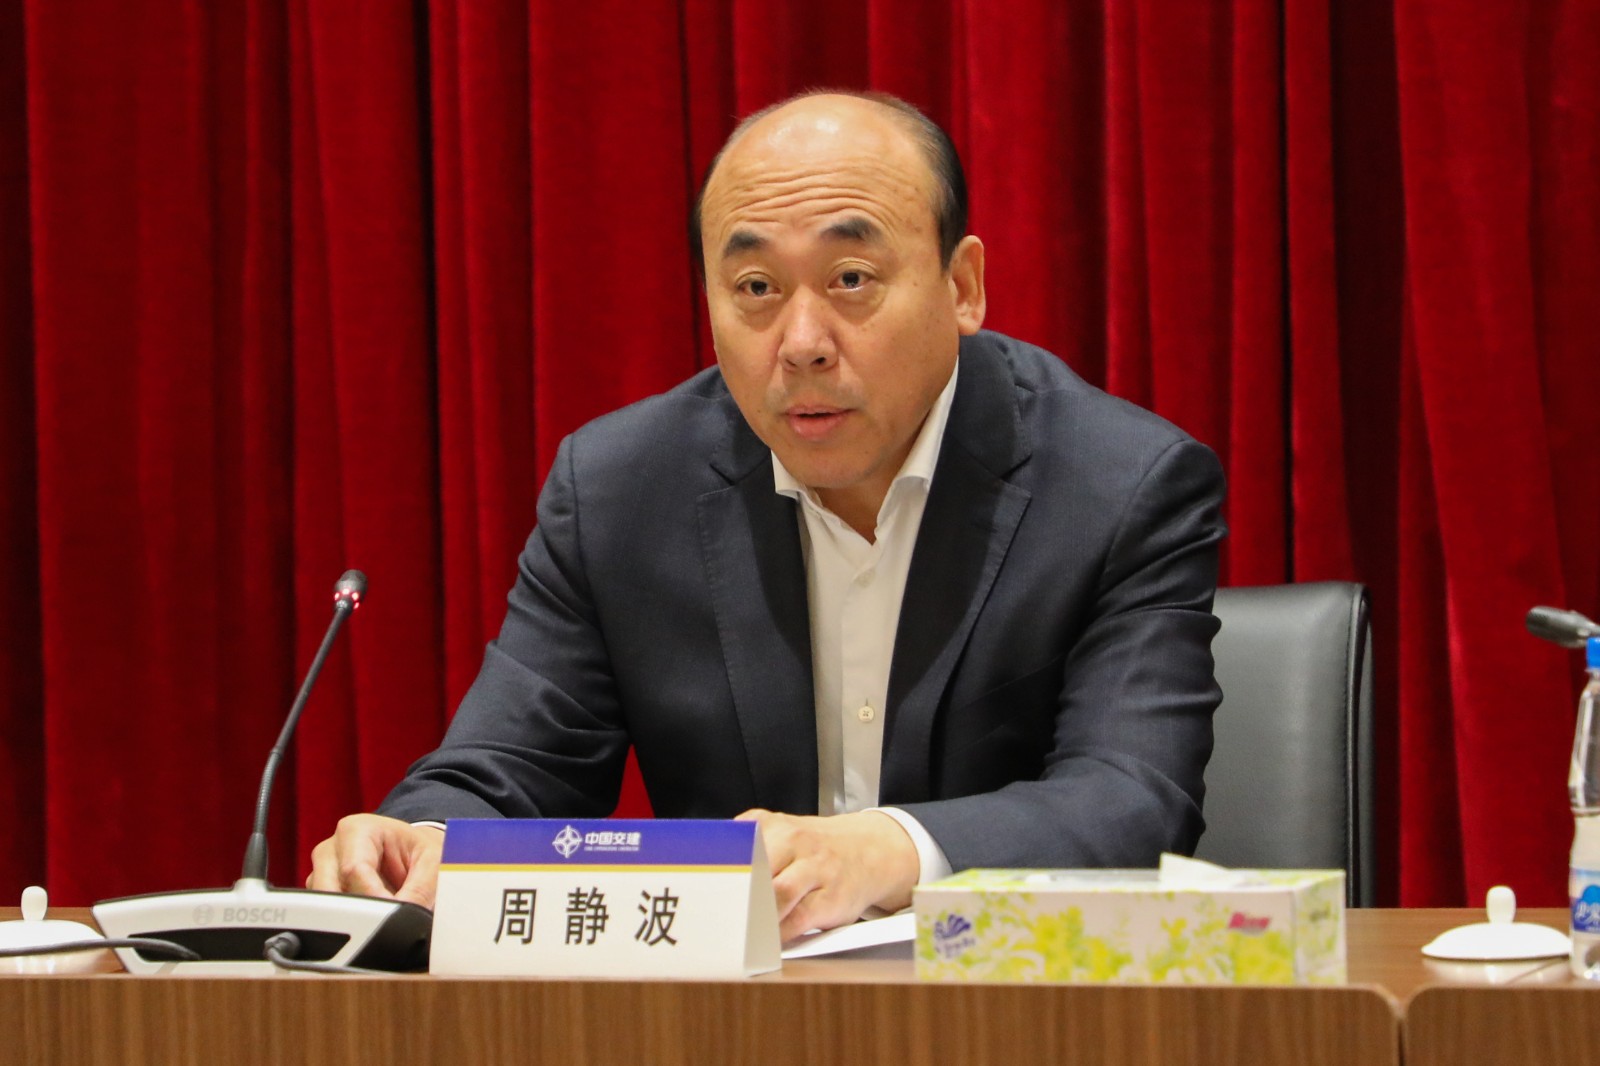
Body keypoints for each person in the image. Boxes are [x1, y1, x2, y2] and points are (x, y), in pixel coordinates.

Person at [309, 90, 1226, 942]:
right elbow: (505, 769)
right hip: (729, 1018)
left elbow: (1131, 799)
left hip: (1001, 1011)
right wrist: (425, 842)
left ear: (962, 286)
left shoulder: (1117, 486)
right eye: (755, 288)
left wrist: (886, 850)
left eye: (852, 277)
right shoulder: (622, 491)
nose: (802, 343)